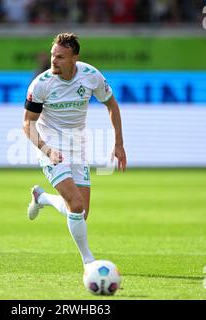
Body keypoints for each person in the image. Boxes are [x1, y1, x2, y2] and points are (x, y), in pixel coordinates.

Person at [22, 33, 127, 268]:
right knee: (76, 205)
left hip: (77, 148)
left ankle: (42, 198)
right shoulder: (41, 84)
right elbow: (27, 124)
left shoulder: (90, 76)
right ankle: (89, 261)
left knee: (80, 213)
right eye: (52, 56)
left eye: (60, 57)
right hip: (50, 147)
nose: (54, 61)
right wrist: (47, 149)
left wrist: (118, 143)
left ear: (74, 58)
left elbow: (111, 104)